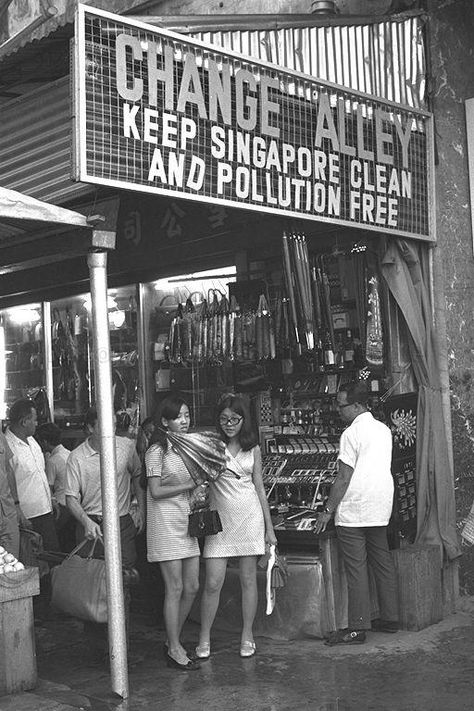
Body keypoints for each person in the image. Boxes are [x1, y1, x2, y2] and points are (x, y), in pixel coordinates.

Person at [313, 381, 399, 645]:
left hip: (356, 506)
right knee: (381, 560)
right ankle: (390, 617)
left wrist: (327, 510)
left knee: (356, 568)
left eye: (342, 405)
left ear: (358, 405)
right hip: (380, 502)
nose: (338, 410)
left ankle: (357, 627)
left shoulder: (351, 434)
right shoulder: (383, 429)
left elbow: (343, 477)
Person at [197, 394, 277, 660]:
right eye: (224, 419)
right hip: (220, 522)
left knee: (247, 580)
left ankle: (247, 634)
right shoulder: (212, 446)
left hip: (249, 517)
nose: (229, 424)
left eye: (234, 419)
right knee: (212, 582)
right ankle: (204, 636)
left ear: (244, 420)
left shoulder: (252, 448)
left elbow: (260, 488)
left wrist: (269, 528)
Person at [145, 394, 207, 672]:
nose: (185, 421)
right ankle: (174, 647)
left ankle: (173, 640)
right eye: (179, 417)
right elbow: (155, 491)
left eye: (187, 415)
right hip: (165, 524)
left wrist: (199, 488)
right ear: (165, 422)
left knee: (192, 586)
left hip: (186, 521)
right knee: (176, 587)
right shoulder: (156, 451)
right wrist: (188, 485)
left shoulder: (188, 448)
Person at [65, 406, 145, 565]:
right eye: (106, 426)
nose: (111, 430)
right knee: (91, 573)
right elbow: (70, 498)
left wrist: (141, 509)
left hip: (121, 521)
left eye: (114, 425)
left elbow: (138, 476)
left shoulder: (126, 447)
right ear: (90, 427)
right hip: (90, 523)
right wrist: (86, 521)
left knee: (125, 572)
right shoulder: (77, 457)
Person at [5, 398, 59, 553]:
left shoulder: (32, 441)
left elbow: (38, 474)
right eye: (34, 420)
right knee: (32, 561)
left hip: (45, 510)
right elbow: (7, 484)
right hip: (27, 517)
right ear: (24, 422)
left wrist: (51, 498)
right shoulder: (7, 446)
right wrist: (18, 512)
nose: (36, 424)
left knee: (52, 555)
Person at [36, 422, 75, 553]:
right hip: (74, 505)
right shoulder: (70, 454)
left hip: (61, 508)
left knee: (58, 544)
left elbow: (48, 486)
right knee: (70, 543)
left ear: (45, 442)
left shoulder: (53, 461)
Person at [0, 430, 19, 558]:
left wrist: (17, 504)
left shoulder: (0, 436)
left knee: (12, 564)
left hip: (7, 512)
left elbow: (8, 469)